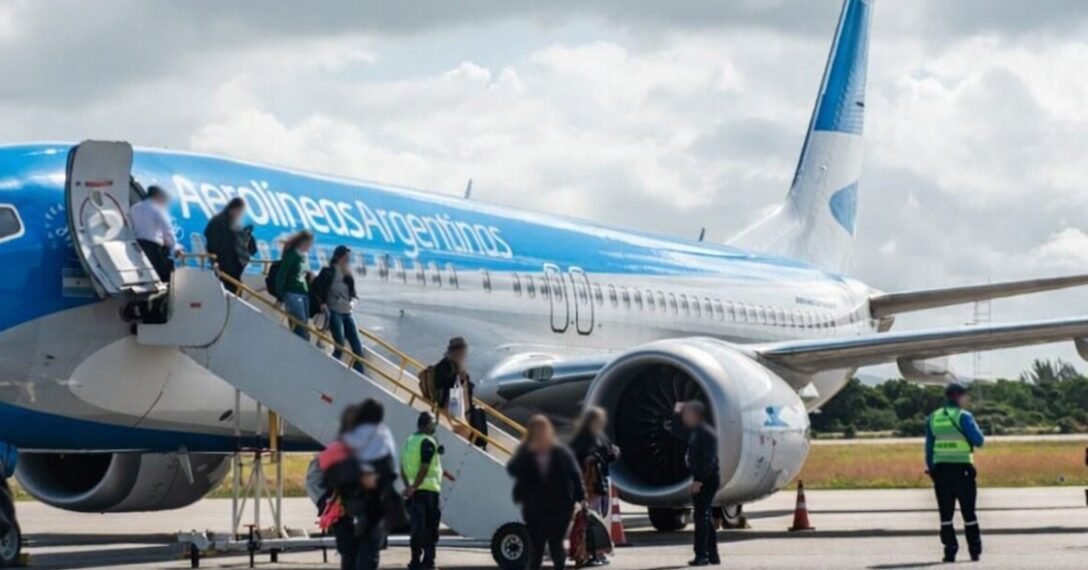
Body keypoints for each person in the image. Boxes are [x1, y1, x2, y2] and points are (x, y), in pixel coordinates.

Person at [507, 415, 585, 570]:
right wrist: (526, 451)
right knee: (536, 548)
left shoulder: (560, 451)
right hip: (534, 507)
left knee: (556, 545)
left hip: (560, 507)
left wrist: (581, 498)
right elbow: (512, 468)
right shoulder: (526, 451)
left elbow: (575, 474)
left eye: (543, 431)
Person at [925, 382, 985, 563]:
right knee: (968, 513)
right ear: (958, 396)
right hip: (962, 471)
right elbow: (979, 441)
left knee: (945, 515)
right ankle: (974, 550)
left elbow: (929, 448)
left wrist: (932, 469)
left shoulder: (933, 417)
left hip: (941, 471)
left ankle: (949, 551)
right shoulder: (964, 416)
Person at [342, 399, 402, 570]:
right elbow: (391, 470)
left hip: (351, 503)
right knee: (369, 551)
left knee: (351, 552)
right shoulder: (381, 435)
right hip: (373, 503)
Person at [669, 401, 720, 566]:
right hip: (704, 478)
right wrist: (676, 413)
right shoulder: (696, 431)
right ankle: (712, 555)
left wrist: (700, 480)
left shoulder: (706, 433)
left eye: (687, 414)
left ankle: (702, 555)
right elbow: (676, 431)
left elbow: (709, 460)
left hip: (706, 479)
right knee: (705, 515)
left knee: (701, 516)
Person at [569, 407, 619, 566]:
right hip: (593, 486)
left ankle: (588, 552)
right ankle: (591, 553)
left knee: (586, 520)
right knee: (592, 521)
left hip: (585, 485)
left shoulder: (577, 440)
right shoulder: (596, 439)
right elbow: (609, 455)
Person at [128, 185, 182, 323]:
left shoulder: (134, 208)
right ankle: (156, 311)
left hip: (135, 247)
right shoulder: (157, 209)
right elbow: (167, 231)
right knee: (164, 280)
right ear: (157, 196)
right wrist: (175, 248)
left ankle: (140, 310)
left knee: (141, 281)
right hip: (152, 248)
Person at [401, 412, 443, 570]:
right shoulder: (428, 442)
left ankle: (414, 561)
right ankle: (428, 562)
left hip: (414, 493)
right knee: (430, 528)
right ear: (427, 424)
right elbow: (424, 468)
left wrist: (408, 487)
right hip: (428, 492)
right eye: (433, 424)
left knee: (417, 528)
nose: (435, 427)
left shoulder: (409, 441)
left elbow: (402, 468)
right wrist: (414, 487)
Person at [313, 246, 364, 373]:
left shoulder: (348, 275)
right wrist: (322, 304)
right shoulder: (328, 272)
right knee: (339, 344)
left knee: (357, 347)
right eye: (346, 258)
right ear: (338, 257)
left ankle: (359, 375)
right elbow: (316, 289)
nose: (348, 261)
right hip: (334, 312)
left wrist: (352, 303)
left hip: (347, 313)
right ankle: (331, 370)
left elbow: (354, 295)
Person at [203, 197, 256, 294]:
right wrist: (214, 261)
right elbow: (213, 244)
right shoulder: (220, 223)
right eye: (240, 211)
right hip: (225, 265)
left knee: (234, 289)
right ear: (234, 209)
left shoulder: (228, 223)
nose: (240, 215)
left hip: (230, 266)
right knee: (231, 290)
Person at [274, 231, 315, 340]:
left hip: (303, 293)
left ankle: (303, 344)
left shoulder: (304, 257)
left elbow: (303, 274)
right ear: (303, 242)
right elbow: (282, 274)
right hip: (292, 293)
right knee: (300, 324)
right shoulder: (292, 255)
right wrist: (280, 296)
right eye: (309, 244)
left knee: (305, 324)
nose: (310, 247)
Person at [433, 337, 472, 424]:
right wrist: (460, 379)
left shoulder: (453, 367)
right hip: (446, 403)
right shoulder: (445, 368)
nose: (464, 356)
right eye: (462, 353)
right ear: (456, 353)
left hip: (451, 403)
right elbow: (447, 386)